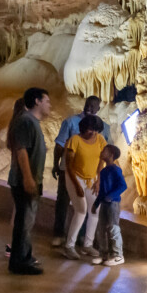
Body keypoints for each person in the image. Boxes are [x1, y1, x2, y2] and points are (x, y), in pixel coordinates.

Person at [7, 88, 51, 275]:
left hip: (31, 179)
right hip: (24, 180)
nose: (50, 105)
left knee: (27, 221)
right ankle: (19, 262)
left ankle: (24, 255)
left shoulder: (32, 121)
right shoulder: (25, 121)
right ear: (37, 101)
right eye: (47, 101)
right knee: (24, 222)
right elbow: (21, 150)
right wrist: (27, 177)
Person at [52, 97, 106, 246]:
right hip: (68, 171)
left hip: (90, 175)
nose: (89, 108)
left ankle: (82, 238)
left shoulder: (103, 127)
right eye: (87, 104)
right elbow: (59, 146)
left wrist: (100, 176)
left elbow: (105, 153)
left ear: (98, 109)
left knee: (88, 208)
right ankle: (59, 234)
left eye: (93, 106)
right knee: (63, 202)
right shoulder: (71, 122)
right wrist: (56, 164)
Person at [62, 115, 108, 263]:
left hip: (92, 179)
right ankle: (69, 246)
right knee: (81, 210)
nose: (93, 133)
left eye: (96, 130)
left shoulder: (100, 139)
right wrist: (77, 185)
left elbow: (102, 159)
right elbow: (69, 165)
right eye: (90, 129)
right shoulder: (75, 140)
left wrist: (98, 180)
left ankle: (88, 244)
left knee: (94, 210)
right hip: (75, 177)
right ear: (83, 128)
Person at [92, 144, 126, 266]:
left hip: (113, 203)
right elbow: (101, 191)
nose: (102, 152)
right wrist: (96, 204)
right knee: (101, 229)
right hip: (104, 203)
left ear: (111, 155)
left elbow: (123, 185)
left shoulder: (116, 170)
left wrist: (111, 196)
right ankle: (103, 254)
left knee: (113, 228)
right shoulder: (103, 171)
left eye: (104, 151)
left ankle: (118, 255)